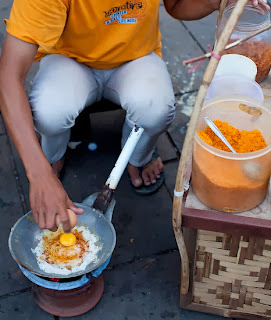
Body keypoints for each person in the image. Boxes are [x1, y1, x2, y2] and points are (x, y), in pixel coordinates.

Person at [0, 0, 268, 232]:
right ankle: (51, 160)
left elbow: (176, 6)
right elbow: (9, 75)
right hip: (69, 59)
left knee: (157, 109)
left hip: (135, 58)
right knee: (48, 112)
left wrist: (213, 2)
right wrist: (37, 174)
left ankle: (137, 158)